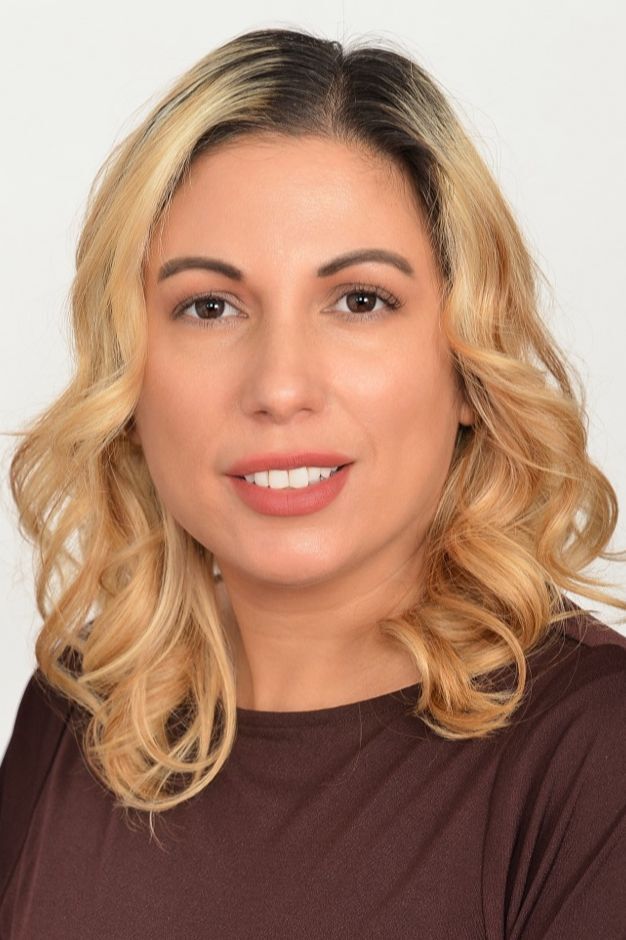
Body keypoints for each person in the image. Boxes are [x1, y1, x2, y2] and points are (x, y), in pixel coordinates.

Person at [1, 25, 625, 939]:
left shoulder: (596, 752)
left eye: (360, 301)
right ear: (130, 380)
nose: (280, 386)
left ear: (468, 364)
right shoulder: (80, 708)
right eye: (209, 307)